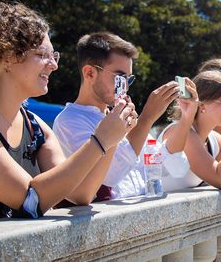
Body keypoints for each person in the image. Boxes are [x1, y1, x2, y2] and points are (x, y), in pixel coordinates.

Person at [0, 3, 136, 227]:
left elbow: (82, 193)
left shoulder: (36, 128)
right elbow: (30, 200)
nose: (53, 65)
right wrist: (100, 139)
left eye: (54, 56)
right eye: (43, 55)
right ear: (6, 57)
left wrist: (111, 138)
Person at [53, 32, 190, 200]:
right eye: (119, 78)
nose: (125, 87)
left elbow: (171, 168)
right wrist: (147, 119)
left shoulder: (123, 117)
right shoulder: (69, 120)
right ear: (89, 73)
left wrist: (187, 117)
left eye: (128, 79)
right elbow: (110, 178)